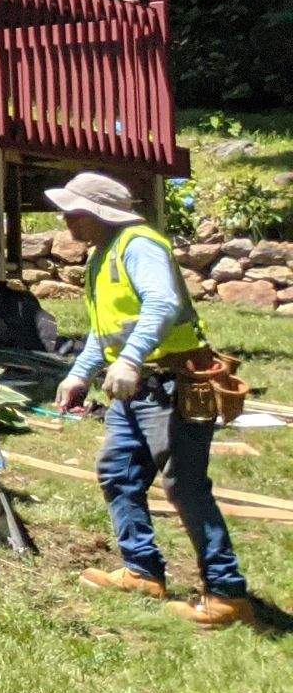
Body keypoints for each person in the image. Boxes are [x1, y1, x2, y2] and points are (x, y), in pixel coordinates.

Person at [47, 171, 253, 629]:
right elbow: (107, 329)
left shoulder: (139, 246)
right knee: (118, 472)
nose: (66, 220)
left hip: (168, 384)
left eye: (74, 211)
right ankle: (142, 571)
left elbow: (162, 305)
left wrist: (131, 361)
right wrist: (79, 374)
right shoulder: (104, 255)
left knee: (184, 485)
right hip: (136, 387)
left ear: (100, 212)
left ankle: (227, 593)